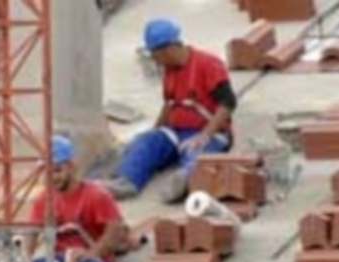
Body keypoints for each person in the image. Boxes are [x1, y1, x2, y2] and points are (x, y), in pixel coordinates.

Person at [102, 17, 238, 203]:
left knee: (196, 154)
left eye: (156, 55)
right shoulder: (170, 70)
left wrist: (205, 135)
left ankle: (185, 180)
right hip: (177, 132)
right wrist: (154, 132)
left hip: (210, 133)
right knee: (145, 142)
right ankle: (127, 182)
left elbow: (228, 103)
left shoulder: (208, 64)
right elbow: (169, 104)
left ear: (168, 49)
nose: (155, 61)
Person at [16, 135, 127, 262]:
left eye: (57, 170)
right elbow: (32, 231)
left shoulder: (95, 194)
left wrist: (92, 253)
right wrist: (26, 257)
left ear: (71, 167)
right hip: (59, 261)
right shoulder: (43, 199)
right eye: (47, 173)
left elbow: (116, 229)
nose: (52, 178)